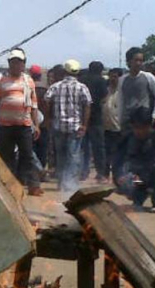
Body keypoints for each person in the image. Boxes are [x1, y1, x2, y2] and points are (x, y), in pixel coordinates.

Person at [0, 49, 43, 196]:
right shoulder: (0, 81)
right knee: (6, 157)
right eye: (13, 62)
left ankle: (33, 185)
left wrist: (36, 124)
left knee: (28, 156)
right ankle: (6, 185)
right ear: (9, 64)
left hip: (24, 125)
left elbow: (34, 104)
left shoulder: (28, 81)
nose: (16, 65)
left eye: (19, 62)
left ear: (23, 64)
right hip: (4, 126)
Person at [44, 59, 92, 192]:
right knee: (74, 156)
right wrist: (84, 125)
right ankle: (70, 184)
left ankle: (61, 183)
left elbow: (47, 101)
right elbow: (87, 105)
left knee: (60, 155)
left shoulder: (55, 86)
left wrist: (48, 119)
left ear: (64, 71)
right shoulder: (82, 87)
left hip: (58, 126)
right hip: (75, 128)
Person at [116, 47, 155, 180]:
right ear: (129, 61)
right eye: (136, 60)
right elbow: (120, 100)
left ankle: (145, 177)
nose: (139, 63)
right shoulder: (122, 80)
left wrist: (154, 115)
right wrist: (120, 120)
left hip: (144, 121)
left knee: (145, 149)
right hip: (127, 122)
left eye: (141, 60)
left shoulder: (148, 77)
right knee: (128, 151)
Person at [122, 106, 155, 213]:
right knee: (125, 175)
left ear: (148, 126)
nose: (138, 131)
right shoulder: (130, 138)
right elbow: (122, 158)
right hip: (137, 174)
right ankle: (137, 198)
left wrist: (142, 175)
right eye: (135, 127)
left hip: (151, 172)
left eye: (140, 127)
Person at [80, 61, 108, 183]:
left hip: (82, 117)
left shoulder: (82, 80)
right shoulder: (101, 81)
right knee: (98, 147)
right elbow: (104, 97)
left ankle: (83, 172)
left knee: (83, 147)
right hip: (96, 116)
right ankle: (100, 173)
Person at [103, 68, 123, 182]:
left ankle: (117, 178)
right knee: (106, 154)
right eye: (111, 76)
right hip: (106, 127)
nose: (113, 79)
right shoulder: (105, 91)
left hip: (118, 128)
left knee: (117, 155)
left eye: (115, 76)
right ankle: (105, 175)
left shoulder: (123, 93)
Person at [30, 64, 50, 174]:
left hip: (31, 123)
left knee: (32, 149)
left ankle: (35, 172)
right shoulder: (45, 89)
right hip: (44, 124)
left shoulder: (28, 87)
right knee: (43, 149)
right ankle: (41, 170)